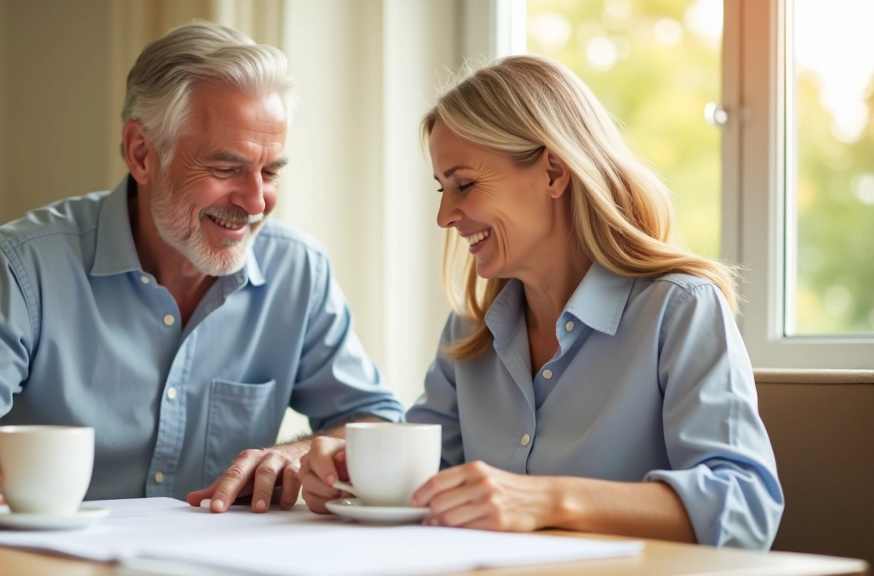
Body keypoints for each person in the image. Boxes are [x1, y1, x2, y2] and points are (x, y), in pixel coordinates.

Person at [0, 21, 404, 526]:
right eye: (226, 167)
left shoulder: (298, 272)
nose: (256, 201)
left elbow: (377, 419)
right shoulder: (25, 265)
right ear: (142, 153)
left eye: (270, 171)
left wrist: (300, 451)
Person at [300, 55, 783, 549]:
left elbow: (745, 509)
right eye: (442, 189)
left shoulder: (679, 309)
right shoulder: (468, 334)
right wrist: (348, 475)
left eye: (464, 184)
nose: (445, 215)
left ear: (553, 172)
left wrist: (546, 501)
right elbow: (427, 485)